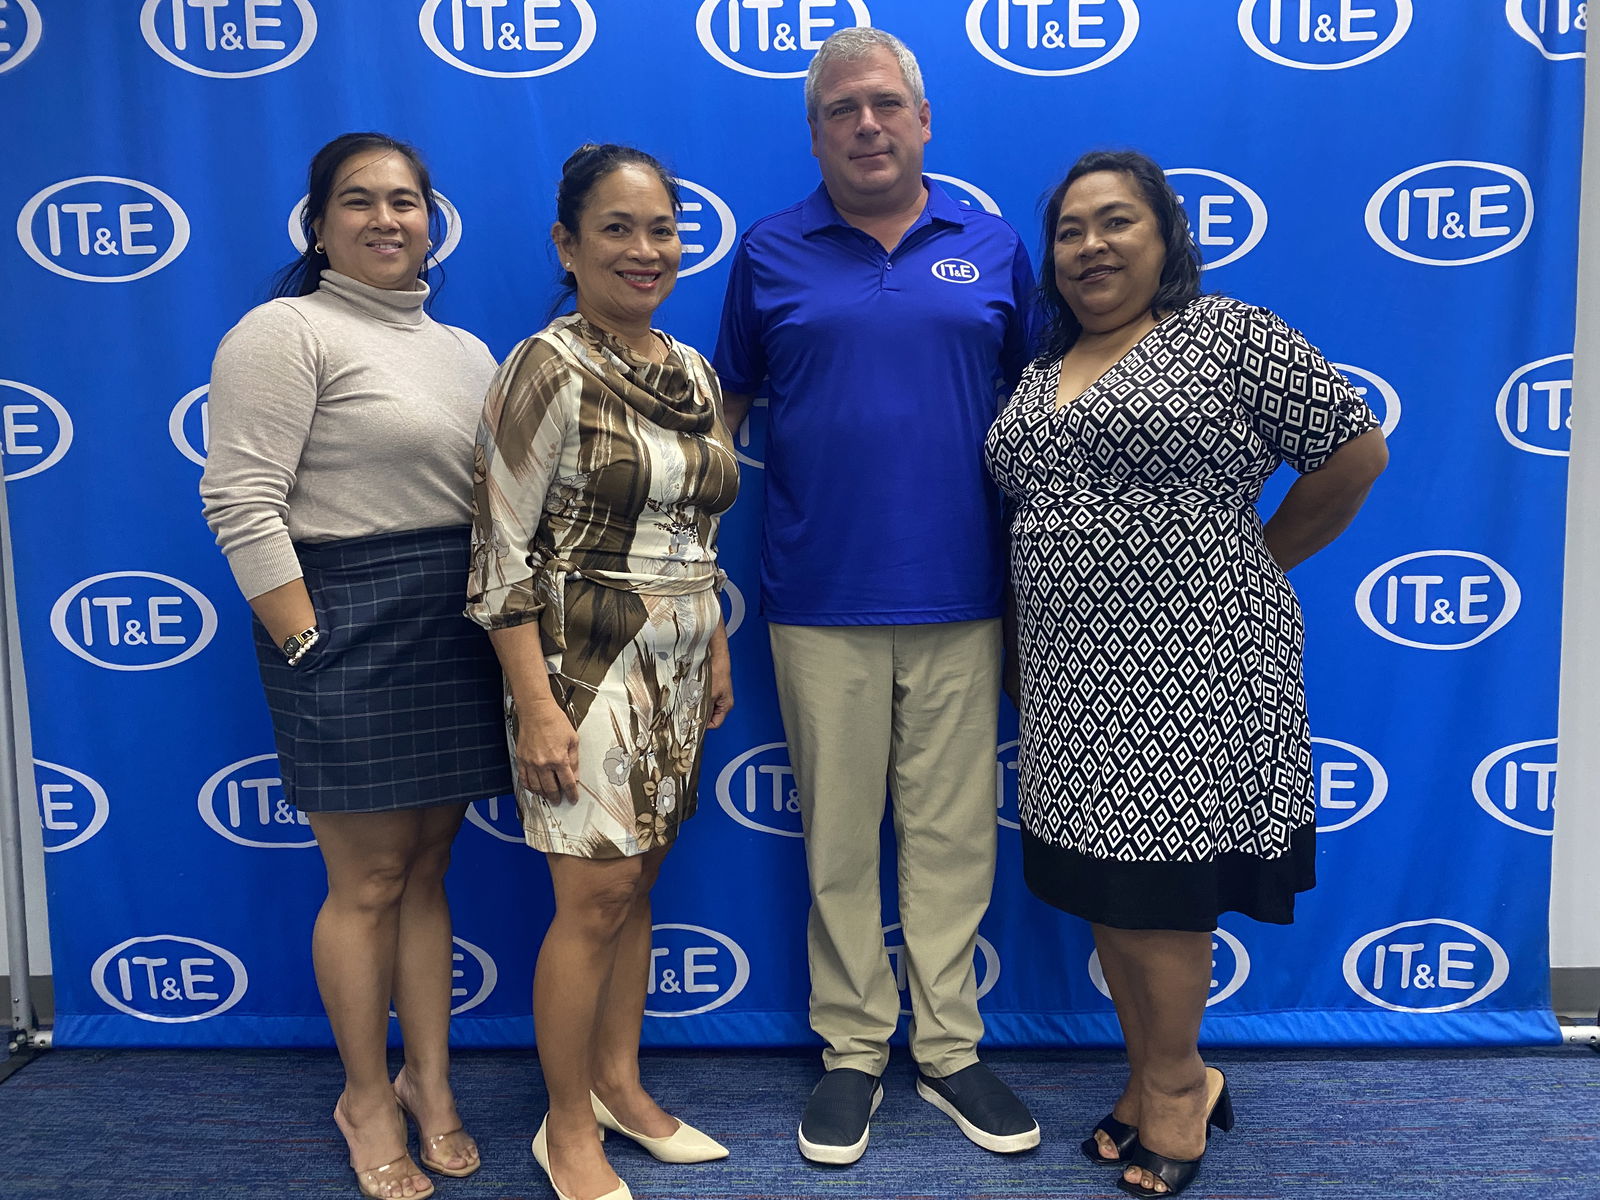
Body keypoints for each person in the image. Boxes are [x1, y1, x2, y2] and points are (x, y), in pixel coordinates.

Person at [985, 149, 1388, 1198]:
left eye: (1116, 222)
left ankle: (1176, 1088)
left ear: (1165, 237)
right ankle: (1154, 1072)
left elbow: (1354, 454)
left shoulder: (1229, 335)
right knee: (1108, 883)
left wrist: (1257, 560)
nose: (1091, 246)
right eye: (1070, 230)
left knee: (1162, 889)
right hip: (1068, 674)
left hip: (1193, 666)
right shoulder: (1041, 368)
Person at [713, 27, 1039, 1164]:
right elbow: (725, 416)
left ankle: (947, 1049)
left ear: (923, 120)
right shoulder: (768, 251)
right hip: (819, 594)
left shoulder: (993, 246)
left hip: (965, 592)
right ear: (814, 133)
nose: (866, 125)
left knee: (952, 839)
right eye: (841, 110)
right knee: (840, 841)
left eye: (886, 103)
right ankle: (852, 1050)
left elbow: (1041, 407)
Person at [201, 132, 509, 1200]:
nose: (386, 219)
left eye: (405, 201)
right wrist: (305, 641)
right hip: (341, 622)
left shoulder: (466, 350)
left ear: (431, 219)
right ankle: (365, 1098)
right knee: (367, 878)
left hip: (453, 622)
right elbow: (240, 497)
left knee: (426, 867)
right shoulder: (283, 330)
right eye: (359, 200)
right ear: (319, 223)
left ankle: (430, 1082)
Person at [467, 143, 739, 1200]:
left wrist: (715, 641)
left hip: (679, 659)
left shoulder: (692, 368)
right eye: (616, 228)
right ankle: (566, 1125)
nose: (644, 248)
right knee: (592, 898)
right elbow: (498, 549)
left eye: (661, 228)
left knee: (636, 884)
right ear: (567, 245)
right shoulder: (544, 365)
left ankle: (620, 1086)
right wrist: (535, 705)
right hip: (580, 662)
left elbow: (695, 527)